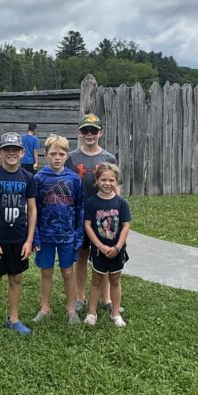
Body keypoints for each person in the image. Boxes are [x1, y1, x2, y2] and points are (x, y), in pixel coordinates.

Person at [0, 131, 38, 339]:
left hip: (19, 238)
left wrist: (29, 240)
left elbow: (32, 210)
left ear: (22, 153)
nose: (11, 153)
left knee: (16, 278)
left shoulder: (28, 178)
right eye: (6, 150)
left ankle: (13, 319)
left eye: (15, 150)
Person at [66, 113, 117, 315]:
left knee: (102, 255)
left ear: (100, 133)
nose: (89, 134)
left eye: (93, 131)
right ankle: (80, 297)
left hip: (103, 216)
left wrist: (117, 213)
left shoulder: (108, 158)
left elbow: (114, 186)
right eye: (85, 130)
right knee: (81, 256)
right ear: (79, 133)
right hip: (78, 214)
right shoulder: (71, 158)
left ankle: (106, 298)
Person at [32, 135, 84, 326]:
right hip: (45, 235)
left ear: (67, 155)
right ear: (45, 155)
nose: (57, 157)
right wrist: (35, 236)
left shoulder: (73, 179)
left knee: (68, 272)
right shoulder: (38, 179)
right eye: (53, 153)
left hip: (67, 235)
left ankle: (71, 310)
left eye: (61, 154)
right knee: (46, 271)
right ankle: (45, 308)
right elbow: (33, 209)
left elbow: (80, 208)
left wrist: (79, 234)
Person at [83, 163, 130, 328]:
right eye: (103, 179)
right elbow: (88, 225)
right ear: (97, 180)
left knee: (115, 280)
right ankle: (91, 313)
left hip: (117, 250)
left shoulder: (121, 203)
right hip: (98, 250)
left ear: (116, 181)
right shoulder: (91, 202)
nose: (107, 183)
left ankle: (115, 313)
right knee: (96, 280)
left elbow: (125, 225)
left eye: (111, 180)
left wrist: (117, 246)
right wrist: (100, 246)